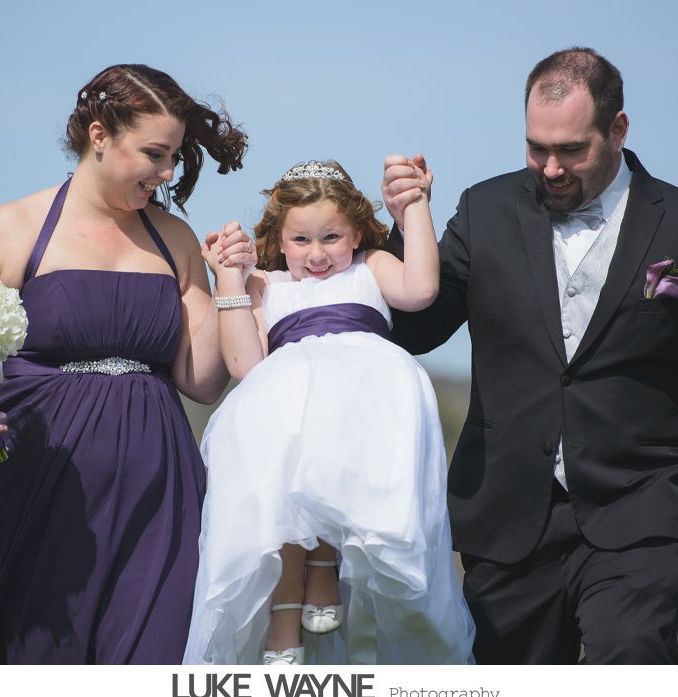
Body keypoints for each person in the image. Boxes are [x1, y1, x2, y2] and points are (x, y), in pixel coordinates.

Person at [381, 47, 678, 664]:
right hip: (505, 515)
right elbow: (419, 329)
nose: (550, 168)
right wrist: (408, 222)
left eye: (572, 150)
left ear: (619, 129)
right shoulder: (484, 210)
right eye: (536, 148)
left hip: (642, 508)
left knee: (628, 657)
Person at [0, 64, 254, 663]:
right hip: (32, 478)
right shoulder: (14, 226)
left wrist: (229, 280)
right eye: (155, 154)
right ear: (99, 135)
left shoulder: (177, 239)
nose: (167, 173)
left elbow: (202, 380)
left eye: (174, 158)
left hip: (156, 490)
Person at [183, 159, 475, 665]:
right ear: (278, 239)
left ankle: (322, 571)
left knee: (329, 445)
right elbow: (244, 364)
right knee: (286, 456)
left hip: (366, 400)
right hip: (283, 402)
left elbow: (423, 288)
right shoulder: (266, 286)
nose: (317, 255)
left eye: (332, 237)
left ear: (357, 232)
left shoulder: (372, 267)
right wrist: (230, 281)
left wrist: (415, 208)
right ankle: (285, 603)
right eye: (301, 241)